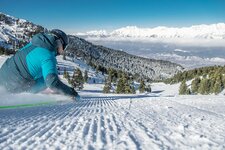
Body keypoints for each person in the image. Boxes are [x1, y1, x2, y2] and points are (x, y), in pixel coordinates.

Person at [0, 29, 80, 101]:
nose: (62, 51)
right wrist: (72, 93)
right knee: (47, 80)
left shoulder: (34, 43)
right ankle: (25, 95)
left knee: (44, 73)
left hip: (3, 73)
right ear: (59, 43)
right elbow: (52, 82)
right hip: (12, 84)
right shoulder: (48, 55)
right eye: (63, 47)